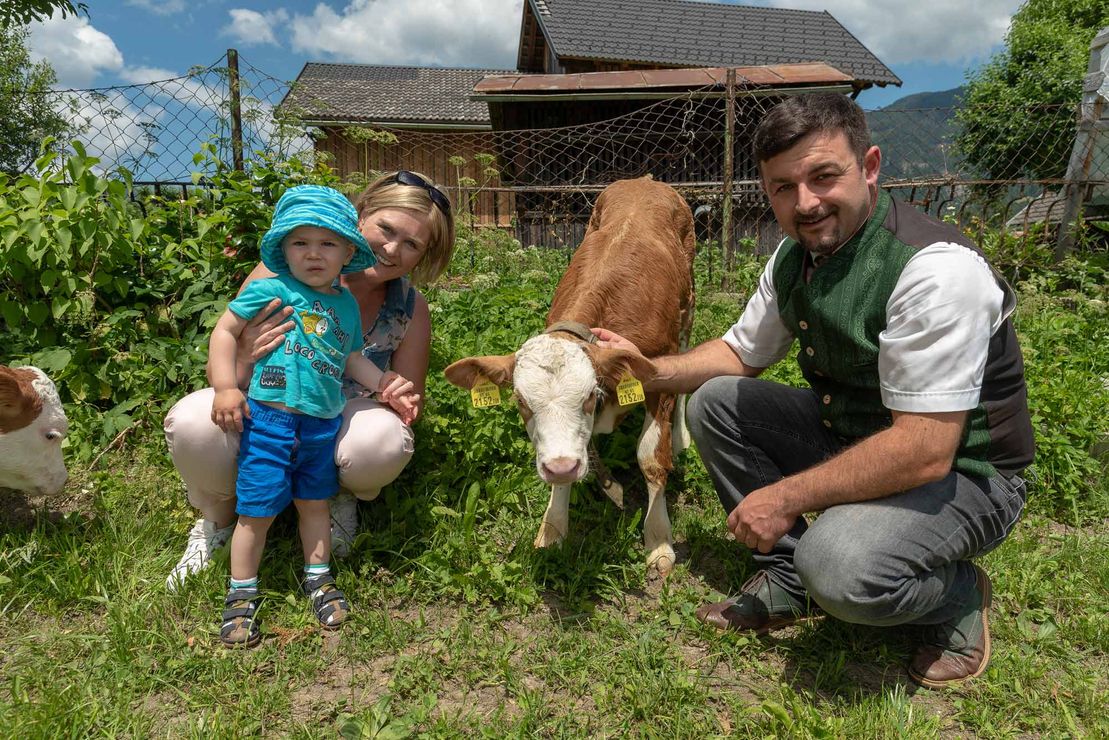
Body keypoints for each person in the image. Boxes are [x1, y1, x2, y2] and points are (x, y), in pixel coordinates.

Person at [593, 93, 1034, 687]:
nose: (805, 204)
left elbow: (926, 449)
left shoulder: (936, 271)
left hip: (969, 472)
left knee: (840, 569)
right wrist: (650, 369)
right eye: (782, 187)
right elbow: (740, 353)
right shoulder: (794, 256)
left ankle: (955, 597)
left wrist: (783, 498)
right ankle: (786, 575)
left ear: (870, 167)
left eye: (824, 176)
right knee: (719, 401)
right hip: (861, 432)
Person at [165, 171, 455, 591]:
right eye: (385, 229)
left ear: (423, 255)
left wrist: (395, 392)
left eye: (411, 244)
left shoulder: (409, 306)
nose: (392, 249)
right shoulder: (283, 271)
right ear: (359, 219)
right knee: (193, 420)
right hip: (269, 405)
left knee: (383, 438)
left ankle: (333, 497)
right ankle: (219, 516)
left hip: (333, 422)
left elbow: (407, 398)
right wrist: (244, 357)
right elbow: (223, 351)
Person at [208, 184, 422, 646]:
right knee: (256, 510)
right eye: (299, 242)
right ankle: (242, 594)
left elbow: (350, 358)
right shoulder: (271, 289)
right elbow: (225, 332)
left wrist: (384, 384)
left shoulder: (342, 304)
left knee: (315, 503)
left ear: (348, 252)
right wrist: (226, 386)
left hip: (322, 424)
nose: (313, 254)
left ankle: (319, 578)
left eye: (327, 243)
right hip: (270, 420)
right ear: (283, 249)